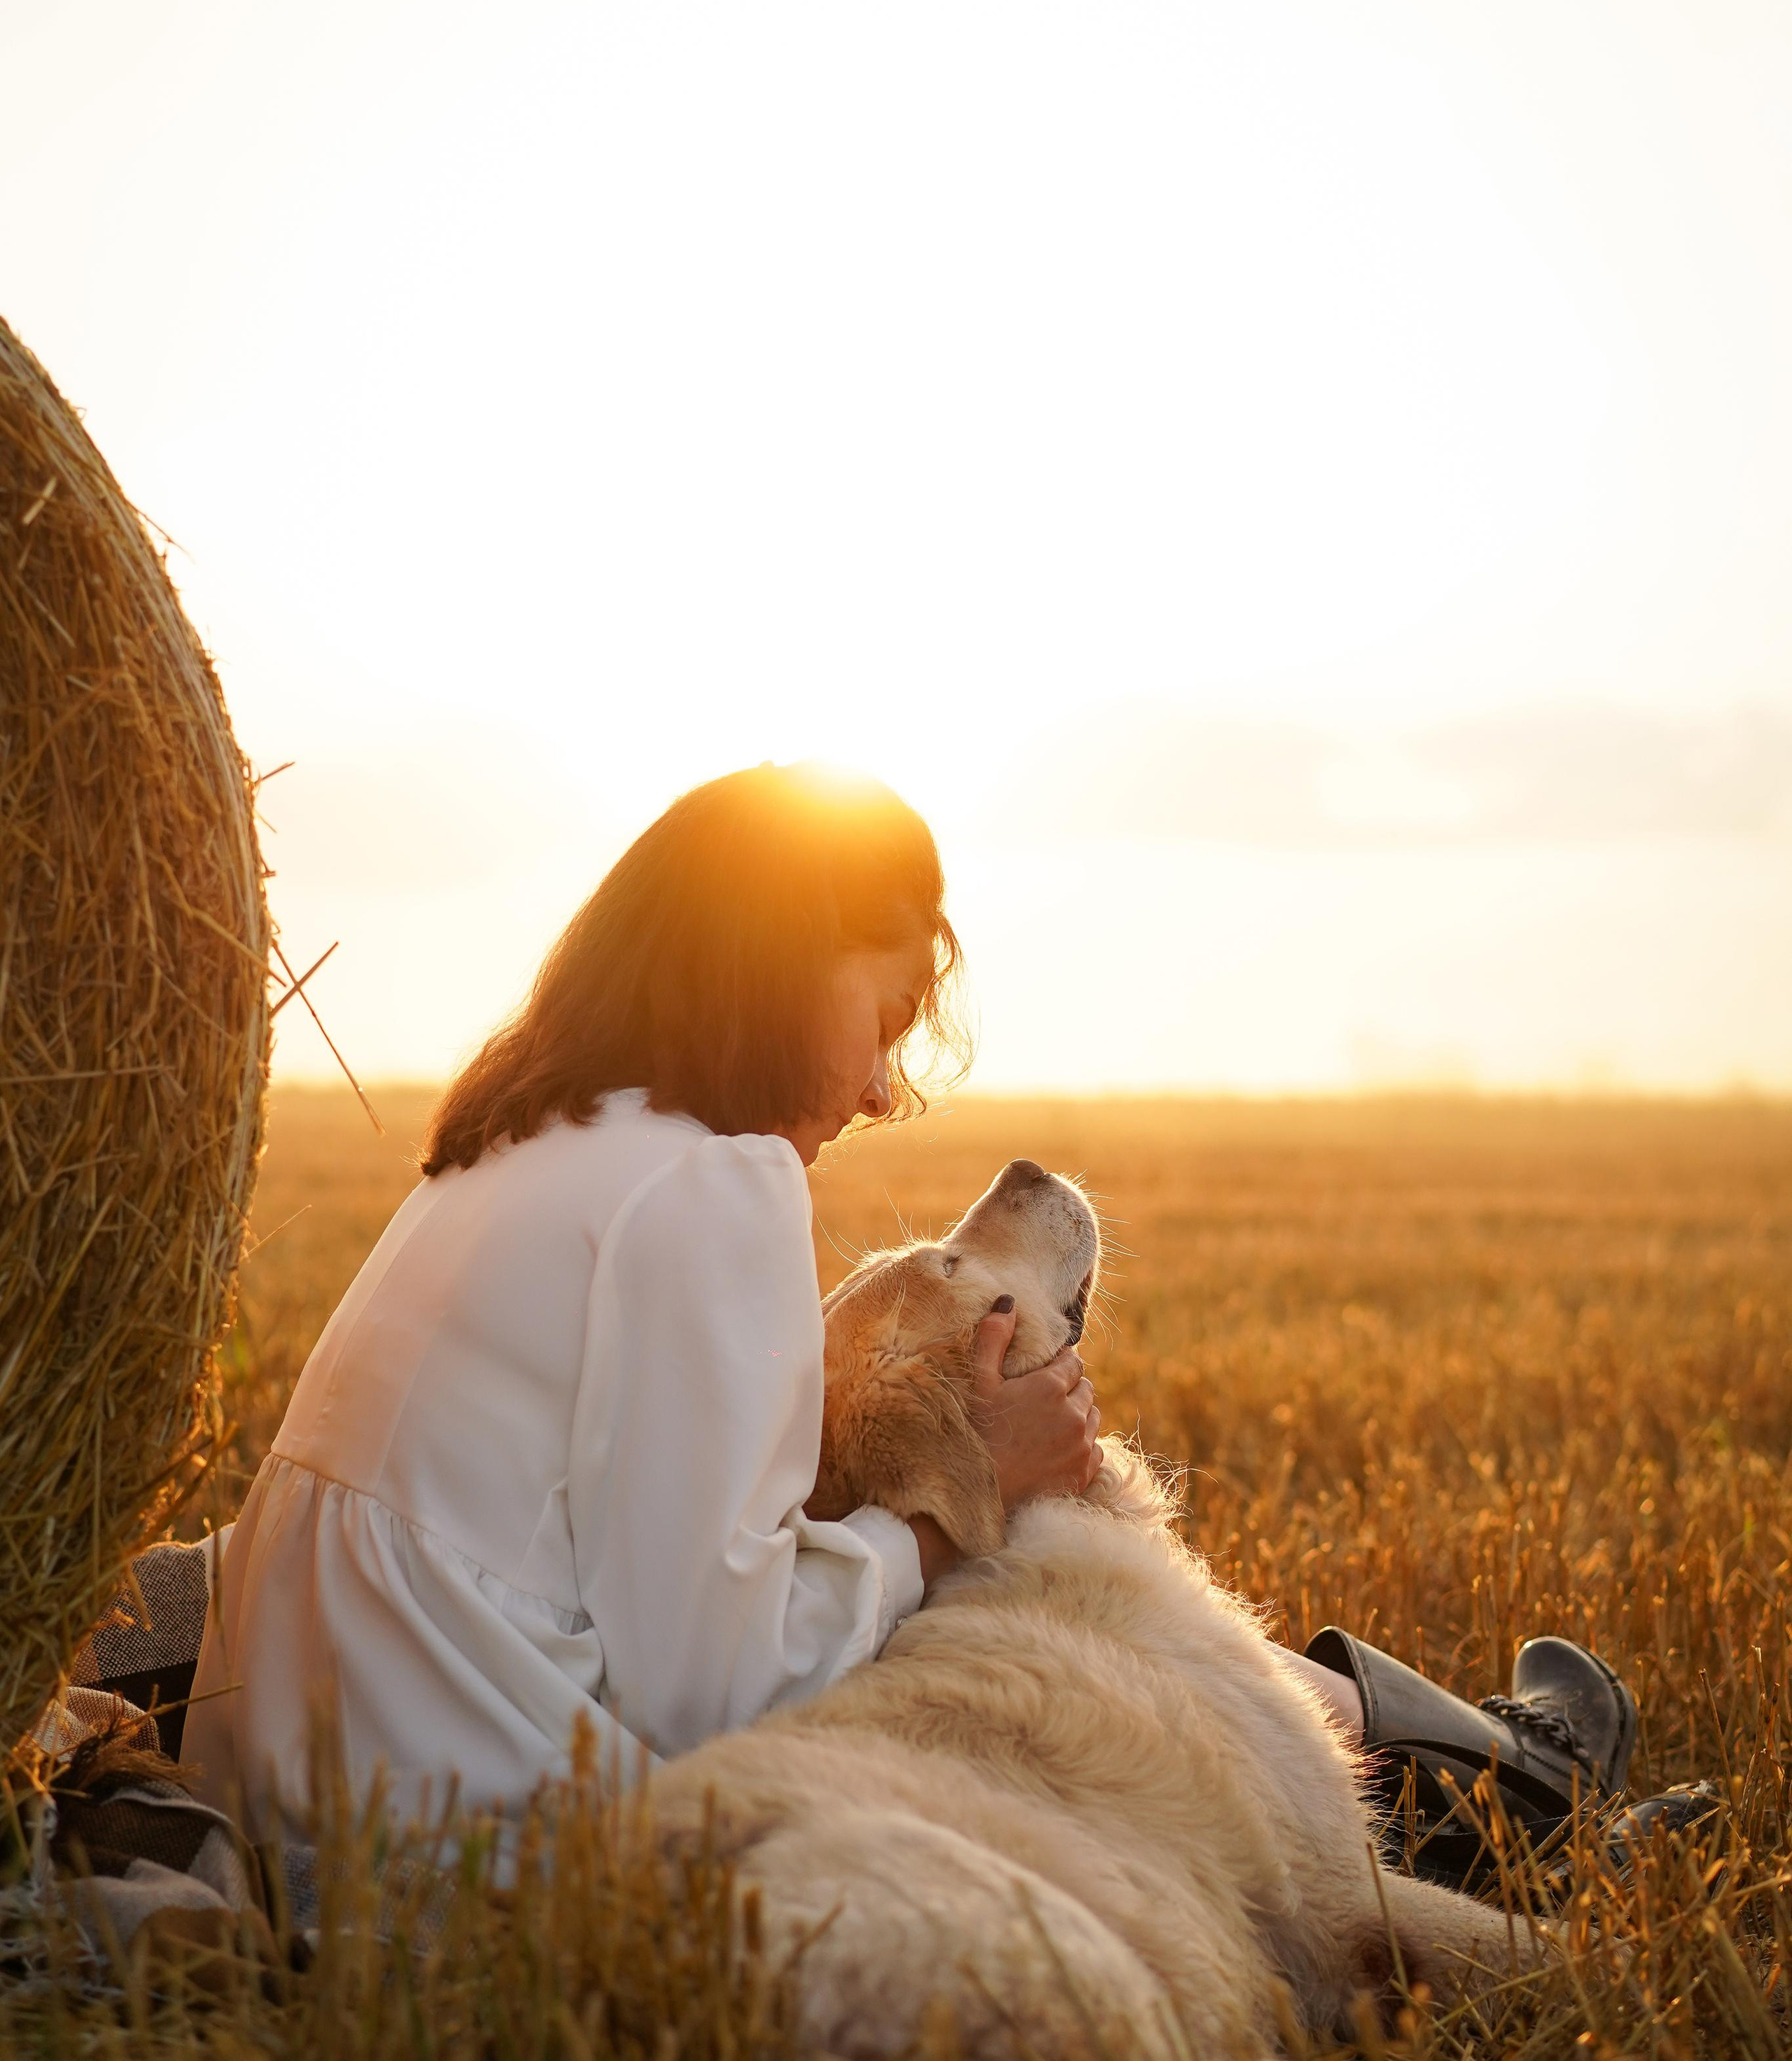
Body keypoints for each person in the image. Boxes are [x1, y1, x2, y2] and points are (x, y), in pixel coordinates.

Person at [190, 760, 1643, 1873]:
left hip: (311, 1797)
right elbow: (712, 1682)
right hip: (486, 1843)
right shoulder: (713, 1183)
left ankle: (1465, 1772)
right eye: (883, 1016)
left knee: (925, 1606)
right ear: (779, 958)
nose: (885, 1087)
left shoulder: (521, 1147)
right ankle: (1488, 1795)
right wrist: (961, 1507)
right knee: (1005, 1644)